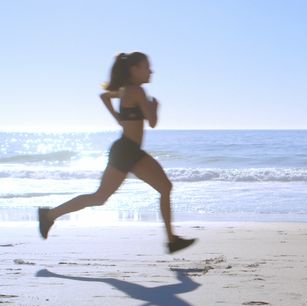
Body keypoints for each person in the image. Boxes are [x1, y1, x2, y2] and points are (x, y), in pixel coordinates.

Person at [38, 52, 196, 254]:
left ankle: (172, 240)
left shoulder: (126, 90)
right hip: (126, 151)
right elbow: (153, 122)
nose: (151, 71)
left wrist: (117, 117)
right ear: (134, 69)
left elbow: (104, 96)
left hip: (129, 150)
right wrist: (155, 107)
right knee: (102, 197)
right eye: (146, 67)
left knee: (159, 188)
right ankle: (49, 215)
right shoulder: (137, 91)